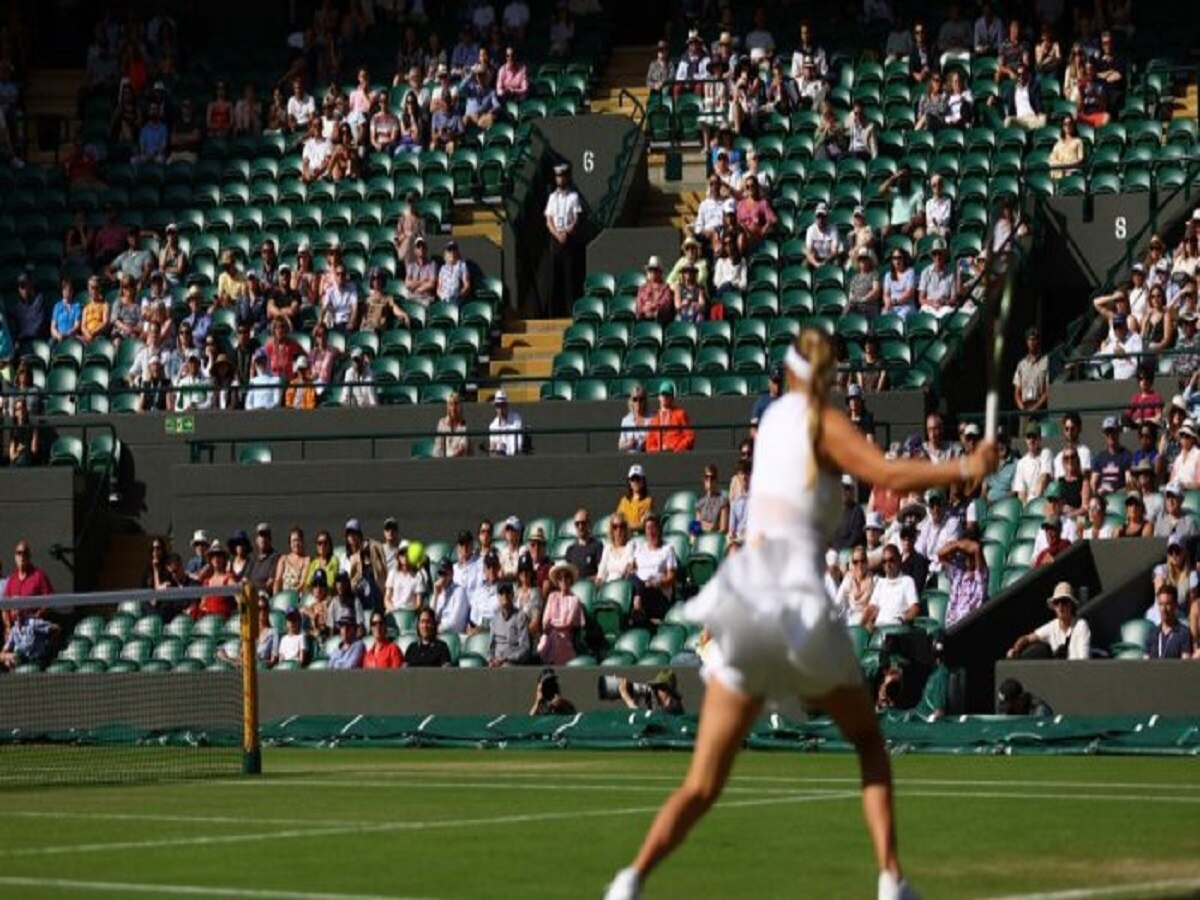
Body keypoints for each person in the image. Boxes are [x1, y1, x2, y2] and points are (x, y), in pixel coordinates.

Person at [603, 328, 998, 900]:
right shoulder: (819, 418)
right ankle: (891, 880)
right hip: (795, 608)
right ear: (828, 378)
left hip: (746, 603)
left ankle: (629, 882)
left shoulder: (771, 425)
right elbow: (884, 474)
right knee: (868, 744)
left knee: (704, 782)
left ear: (788, 374)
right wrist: (965, 466)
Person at [1006, 581, 1091, 660]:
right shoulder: (1052, 627)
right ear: (1054, 606)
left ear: (1071, 605)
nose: (1060, 606)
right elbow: (1027, 638)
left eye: (1064, 601)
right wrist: (1015, 650)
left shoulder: (1081, 626)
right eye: (1057, 602)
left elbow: (1084, 660)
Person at [544, 162, 583, 317]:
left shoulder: (574, 197)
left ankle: (570, 312)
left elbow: (576, 218)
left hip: (569, 239)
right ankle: (554, 313)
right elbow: (549, 220)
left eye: (562, 176)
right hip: (556, 239)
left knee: (569, 278)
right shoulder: (552, 197)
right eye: (557, 176)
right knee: (554, 277)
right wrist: (557, 234)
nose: (559, 179)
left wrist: (566, 232)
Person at [539, 561, 584, 665]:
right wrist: (551, 624)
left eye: (566, 577)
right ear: (557, 581)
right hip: (550, 635)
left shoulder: (574, 600)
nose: (563, 580)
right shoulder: (552, 596)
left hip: (566, 639)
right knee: (545, 640)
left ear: (570, 580)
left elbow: (568, 623)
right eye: (560, 578)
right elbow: (545, 621)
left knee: (557, 639)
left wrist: (552, 623)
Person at [488, 582, 531, 666]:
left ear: (512, 595)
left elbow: (525, 648)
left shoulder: (520, 616)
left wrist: (506, 658)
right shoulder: (495, 619)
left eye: (507, 592)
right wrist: (491, 660)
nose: (504, 595)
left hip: (512, 662)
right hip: (496, 661)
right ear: (498, 596)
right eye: (501, 593)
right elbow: (491, 648)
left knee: (506, 666)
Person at [645, 382, 695, 453]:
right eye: (663, 394)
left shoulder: (680, 414)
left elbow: (690, 437)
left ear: (672, 398)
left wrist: (675, 449)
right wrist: (660, 450)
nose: (665, 397)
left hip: (678, 456)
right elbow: (649, 446)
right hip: (660, 458)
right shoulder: (654, 420)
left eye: (668, 395)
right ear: (659, 397)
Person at [1146, 584, 1192, 659]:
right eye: (1161, 604)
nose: (1164, 609)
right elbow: (1145, 664)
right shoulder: (1152, 633)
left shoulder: (1184, 632)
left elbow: (1185, 666)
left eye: (1168, 604)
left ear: (1175, 605)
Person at [620, 668, 685, 714]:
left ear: (666, 689)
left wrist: (626, 697)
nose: (655, 692)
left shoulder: (673, 708)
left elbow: (645, 719)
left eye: (657, 688)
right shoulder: (670, 706)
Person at [1013, 328, 1048, 412]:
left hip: (1040, 408)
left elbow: (1048, 390)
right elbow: (1017, 392)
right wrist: (1021, 407)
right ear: (1026, 342)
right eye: (1029, 339)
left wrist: (1035, 407)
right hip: (1025, 407)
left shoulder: (1046, 361)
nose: (1032, 342)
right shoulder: (1021, 364)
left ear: (1038, 341)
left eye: (1034, 339)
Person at [616, 464, 654, 533]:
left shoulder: (648, 501)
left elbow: (643, 525)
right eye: (633, 479)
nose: (635, 482)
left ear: (643, 481)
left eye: (638, 479)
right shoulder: (624, 501)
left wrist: (627, 525)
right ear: (629, 482)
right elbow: (618, 521)